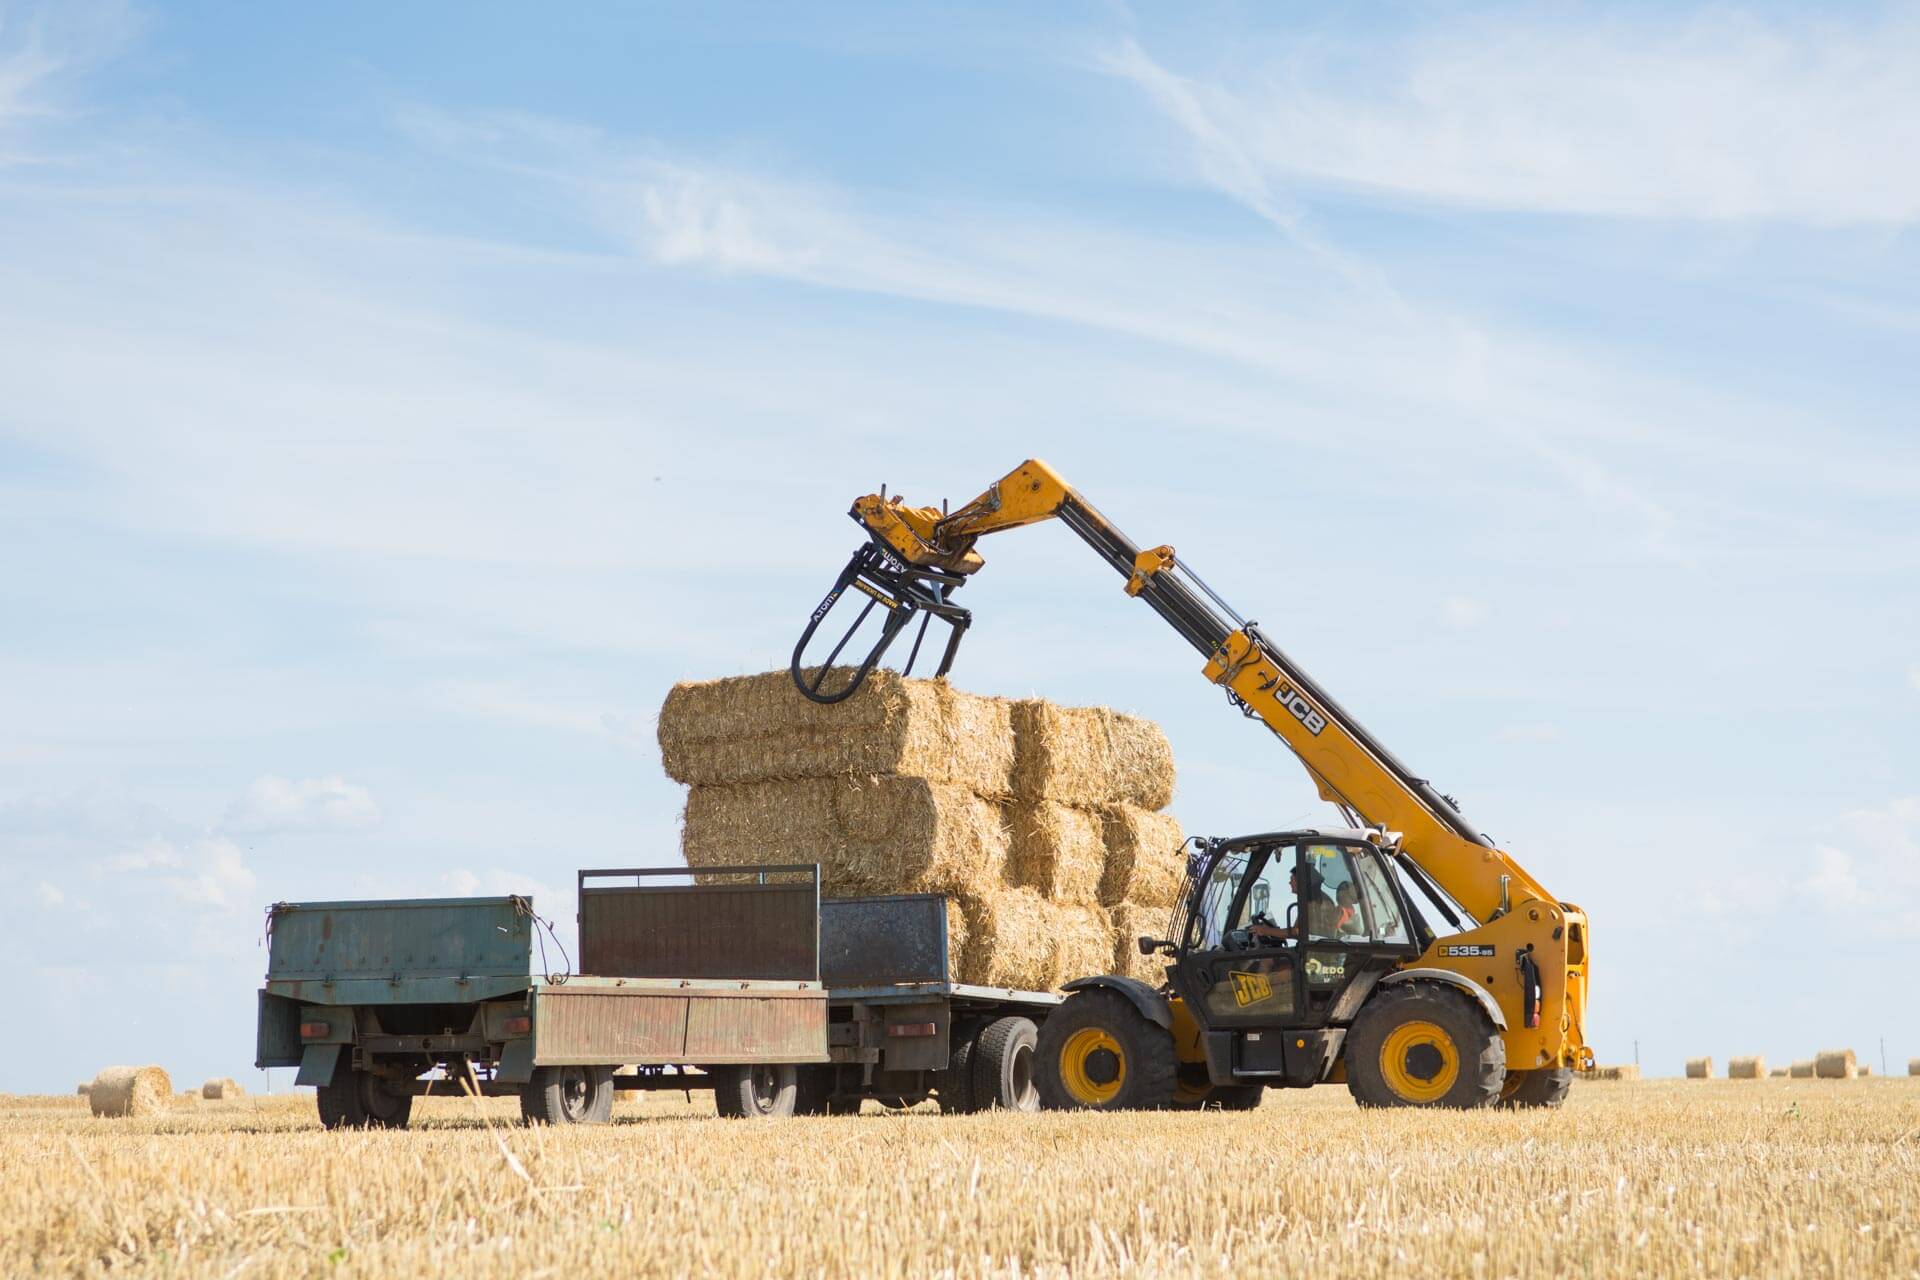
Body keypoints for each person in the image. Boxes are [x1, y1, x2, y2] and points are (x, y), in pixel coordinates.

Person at [1248, 863, 1341, 943]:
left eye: (1292, 879)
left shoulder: (1313, 903)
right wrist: (1273, 930)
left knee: (1267, 960)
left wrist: (1265, 931)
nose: (1289, 883)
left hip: (1315, 954)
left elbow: (1296, 931)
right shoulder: (1320, 899)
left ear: (1302, 881)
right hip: (1316, 948)